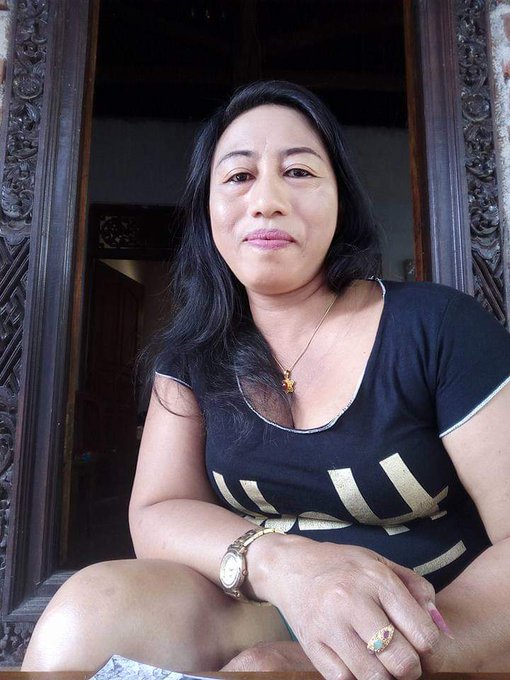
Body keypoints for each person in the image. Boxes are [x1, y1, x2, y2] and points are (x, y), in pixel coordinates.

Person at [22, 80, 510, 679]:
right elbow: (159, 508)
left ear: (341, 198)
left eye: (299, 172)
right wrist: (285, 565)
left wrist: (364, 658)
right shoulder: (191, 354)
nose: (267, 201)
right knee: (82, 621)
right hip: (264, 600)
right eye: (238, 176)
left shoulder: (439, 327)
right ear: (207, 209)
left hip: (442, 622)